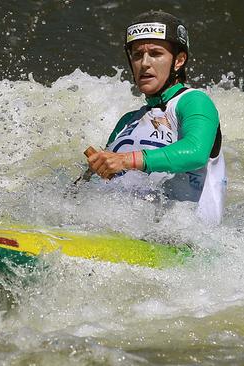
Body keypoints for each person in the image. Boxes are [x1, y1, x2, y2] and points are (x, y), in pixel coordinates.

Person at [86, 10, 227, 224]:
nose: (144, 63)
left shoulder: (194, 101)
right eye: (137, 55)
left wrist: (126, 160)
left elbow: (196, 152)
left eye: (155, 53)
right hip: (127, 231)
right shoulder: (127, 121)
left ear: (178, 61)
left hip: (185, 243)